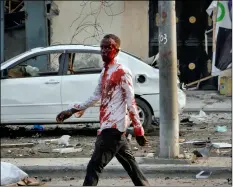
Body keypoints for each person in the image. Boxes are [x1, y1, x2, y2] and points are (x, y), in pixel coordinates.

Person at [56, 34, 150, 186]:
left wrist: (139, 130)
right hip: (113, 128)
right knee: (132, 167)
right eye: (102, 47)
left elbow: (131, 101)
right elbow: (95, 96)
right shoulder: (104, 72)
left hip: (112, 129)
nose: (104, 51)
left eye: (108, 48)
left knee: (94, 167)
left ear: (117, 51)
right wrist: (72, 110)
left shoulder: (122, 72)